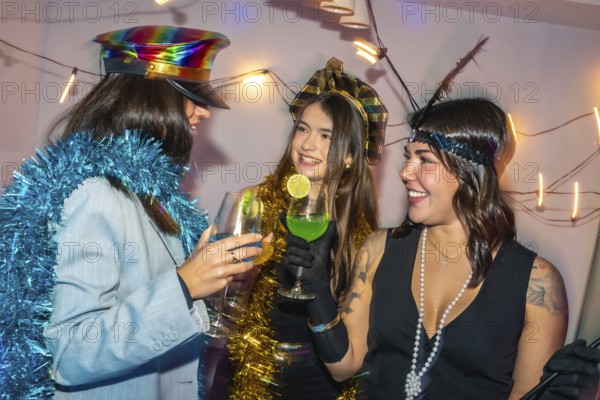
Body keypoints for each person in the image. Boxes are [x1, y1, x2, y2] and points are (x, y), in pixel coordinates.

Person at [282, 42, 600, 399]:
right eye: (407, 157)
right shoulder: (379, 249)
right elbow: (344, 367)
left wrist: (574, 394)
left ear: (470, 174)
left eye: (424, 160)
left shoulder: (537, 283)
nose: (405, 172)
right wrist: (319, 291)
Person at [0, 25, 268, 399]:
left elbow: (139, 298)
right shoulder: (96, 194)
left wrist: (209, 282)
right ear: (148, 97)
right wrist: (184, 286)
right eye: (188, 96)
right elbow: (70, 352)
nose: (204, 112)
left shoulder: (147, 193)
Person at [223, 58, 388, 399]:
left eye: (325, 135)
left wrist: (319, 286)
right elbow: (225, 306)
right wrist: (238, 279)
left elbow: (354, 357)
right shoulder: (254, 203)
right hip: (253, 378)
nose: (307, 144)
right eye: (302, 128)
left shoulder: (365, 240)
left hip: (322, 385)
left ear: (348, 156)